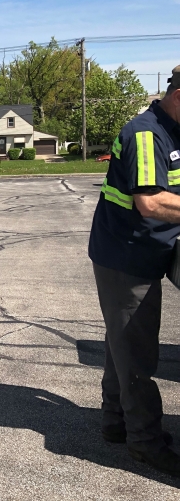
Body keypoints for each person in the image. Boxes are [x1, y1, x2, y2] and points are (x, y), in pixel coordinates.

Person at [88, 65, 180, 476]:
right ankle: (145, 442)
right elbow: (150, 202)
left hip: (146, 251)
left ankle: (115, 420)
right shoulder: (146, 134)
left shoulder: (171, 129)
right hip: (126, 257)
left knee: (121, 342)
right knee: (138, 352)